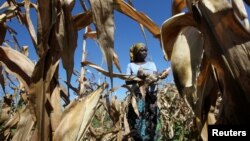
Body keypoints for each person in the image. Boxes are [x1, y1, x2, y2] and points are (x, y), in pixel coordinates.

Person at [126, 43, 158, 141]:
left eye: (145, 50)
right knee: (138, 120)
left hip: (151, 97)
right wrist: (138, 77)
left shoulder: (151, 64)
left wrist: (157, 76)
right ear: (136, 52)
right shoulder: (131, 65)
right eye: (142, 50)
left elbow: (156, 77)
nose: (145, 52)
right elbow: (127, 80)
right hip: (138, 97)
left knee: (151, 120)